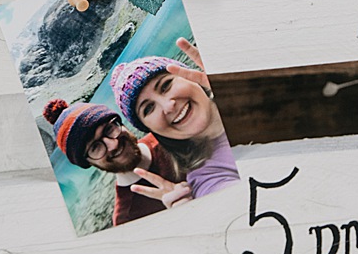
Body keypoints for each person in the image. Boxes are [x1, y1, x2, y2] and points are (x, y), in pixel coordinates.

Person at [109, 38, 239, 198]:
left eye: (166, 86)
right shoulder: (208, 177)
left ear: (188, 75)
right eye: (149, 108)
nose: (168, 106)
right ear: (151, 130)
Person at [43, 97, 192, 227]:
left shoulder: (171, 135)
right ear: (88, 162)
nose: (113, 145)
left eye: (109, 129)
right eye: (95, 147)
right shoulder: (126, 218)